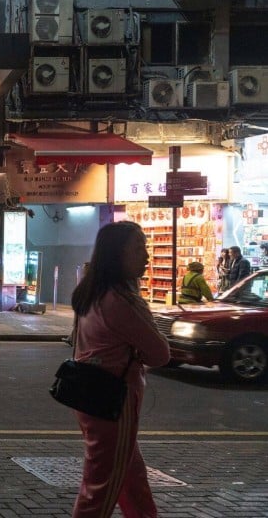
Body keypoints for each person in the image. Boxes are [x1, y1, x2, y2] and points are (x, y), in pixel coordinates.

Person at [68, 221, 170, 517]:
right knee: (101, 488)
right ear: (117, 254)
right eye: (139, 248)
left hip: (90, 394)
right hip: (114, 401)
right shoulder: (121, 302)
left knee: (131, 477)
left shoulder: (91, 293)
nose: (147, 256)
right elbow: (160, 353)